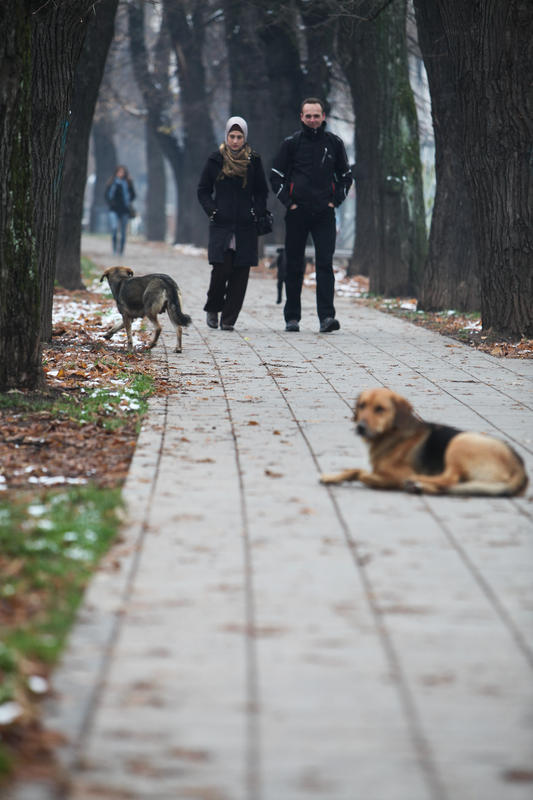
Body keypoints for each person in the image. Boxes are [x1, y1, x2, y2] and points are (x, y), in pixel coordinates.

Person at [270, 97, 352, 332]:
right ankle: (292, 317)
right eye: (309, 116)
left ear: (323, 117)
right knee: (294, 265)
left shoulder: (334, 143)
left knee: (325, 264)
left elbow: (346, 177)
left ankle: (327, 317)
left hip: (324, 214)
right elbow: (275, 175)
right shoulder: (291, 144)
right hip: (297, 214)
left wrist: (334, 201)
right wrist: (288, 201)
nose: (313, 120)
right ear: (302, 117)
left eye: (317, 115)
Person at [197, 117, 268, 330]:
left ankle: (229, 319)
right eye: (232, 136)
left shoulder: (253, 160)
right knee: (220, 270)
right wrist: (213, 210)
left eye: (239, 137)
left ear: (244, 138)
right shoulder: (215, 160)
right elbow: (203, 190)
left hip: (246, 226)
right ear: (226, 136)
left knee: (240, 274)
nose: (235, 141)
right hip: (222, 224)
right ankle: (213, 308)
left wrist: (257, 210)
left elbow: (261, 191)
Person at [104, 165, 136, 255]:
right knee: (114, 229)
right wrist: (111, 203)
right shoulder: (111, 183)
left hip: (124, 210)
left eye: (122, 172)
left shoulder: (128, 183)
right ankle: (114, 249)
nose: (121, 174)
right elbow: (106, 195)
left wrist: (128, 201)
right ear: (116, 173)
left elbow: (133, 195)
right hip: (113, 209)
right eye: (119, 172)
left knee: (123, 232)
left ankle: (121, 251)